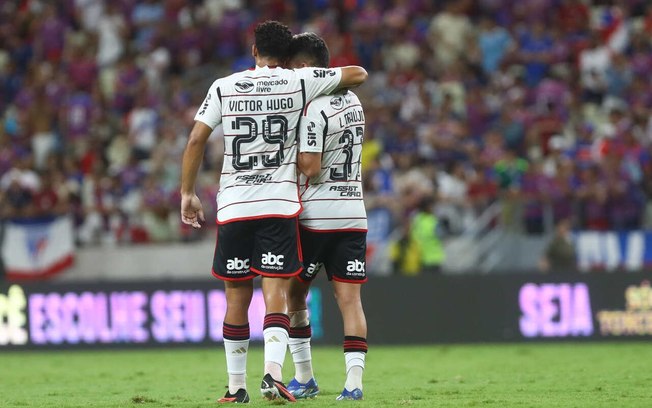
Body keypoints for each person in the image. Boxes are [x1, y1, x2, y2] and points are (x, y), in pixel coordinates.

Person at [179, 21, 368, 404]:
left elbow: (197, 137)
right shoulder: (298, 83)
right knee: (276, 292)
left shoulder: (223, 86)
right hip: (280, 205)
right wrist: (325, 77)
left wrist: (187, 192)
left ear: (253, 51)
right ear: (286, 59)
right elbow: (356, 74)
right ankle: (273, 373)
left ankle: (235, 388)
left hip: (234, 204)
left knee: (236, 297)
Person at [284, 32, 368, 401]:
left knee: (293, 295)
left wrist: (290, 157)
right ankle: (354, 385)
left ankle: (305, 376)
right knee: (350, 302)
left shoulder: (311, 108)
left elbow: (312, 168)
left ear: (304, 68)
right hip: (354, 212)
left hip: (316, 216)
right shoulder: (354, 101)